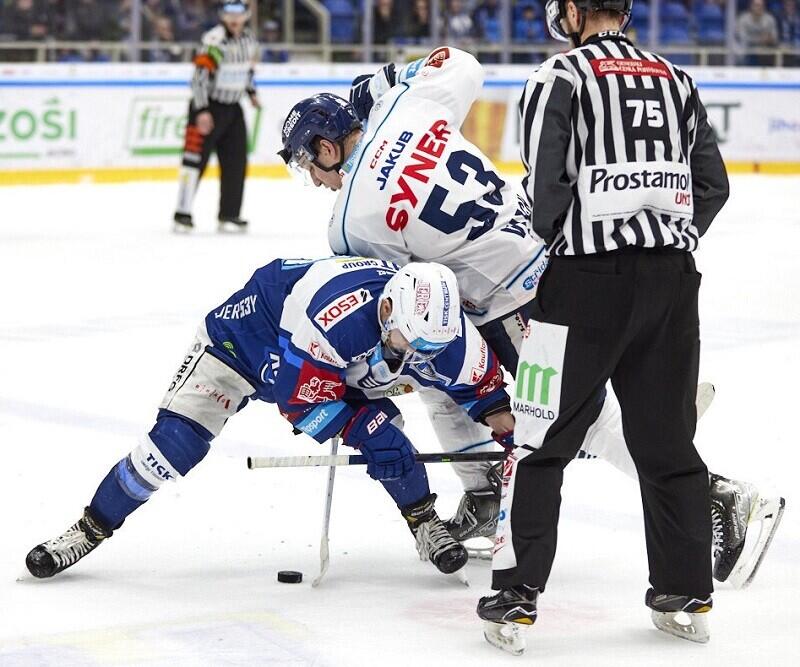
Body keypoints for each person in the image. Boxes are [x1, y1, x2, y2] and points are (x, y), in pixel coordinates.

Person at [278, 47, 783, 587]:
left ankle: (714, 495)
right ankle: (484, 492)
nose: (315, 181)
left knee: (574, 417)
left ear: (328, 147)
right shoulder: (409, 106)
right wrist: (383, 83)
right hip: (556, 257)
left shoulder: (350, 223)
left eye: (310, 166)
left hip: (512, 303)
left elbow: (400, 296)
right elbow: (462, 62)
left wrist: (376, 370)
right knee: (444, 385)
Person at [474, 0, 758, 654]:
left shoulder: (560, 77)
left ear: (572, 10)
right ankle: (685, 591)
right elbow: (711, 187)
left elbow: (547, 191)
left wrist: (563, 244)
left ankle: (515, 593)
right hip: (672, 285)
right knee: (667, 441)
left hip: (579, 287)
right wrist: (663, 245)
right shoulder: (676, 79)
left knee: (539, 434)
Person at [25, 258, 518, 580]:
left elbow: (484, 392)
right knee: (171, 450)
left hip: (326, 362)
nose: (425, 356)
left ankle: (423, 521)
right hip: (239, 349)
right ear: (387, 308)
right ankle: (89, 527)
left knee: (385, 436)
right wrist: (365, 430)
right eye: (416, 344)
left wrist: (510, 429)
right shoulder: (335, 318)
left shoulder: (437, 327)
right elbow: (300, 403)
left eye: (435, 347)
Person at [173, 0, 260, 234]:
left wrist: (251, 93)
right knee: (194, 161)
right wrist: (201, 110)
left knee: (236, 162)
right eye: (229, 13)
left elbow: (247, 71)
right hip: (208, 108)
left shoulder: (249, 40)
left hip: (233, 108)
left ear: (246, 15)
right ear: (222, 15)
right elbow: (199, 77)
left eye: (238, 13)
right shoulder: (214, 40)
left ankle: (229, 214)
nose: (234, 18)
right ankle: (182, 213)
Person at [737, 0, 779, 65]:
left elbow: (774, 37)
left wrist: (769, 39)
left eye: (761, 6)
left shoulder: (769, 19)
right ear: (751, 6)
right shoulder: (743, 19)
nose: (759, 8)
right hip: (748, 50)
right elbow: (743, 38)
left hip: (765, 52)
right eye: (756, 5)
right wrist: (759, 40)